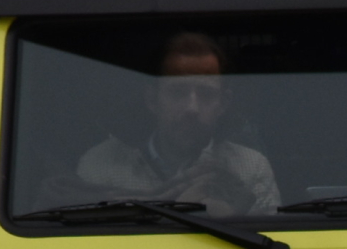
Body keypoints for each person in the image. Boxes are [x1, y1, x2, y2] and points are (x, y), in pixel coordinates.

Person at [74, 32, 279, 215]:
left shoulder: (250, 168)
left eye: (206, 94)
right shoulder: (101, 167)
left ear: (223, 104)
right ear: (153, 100)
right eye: (178, 92)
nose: (192, 108)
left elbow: (271, 241)